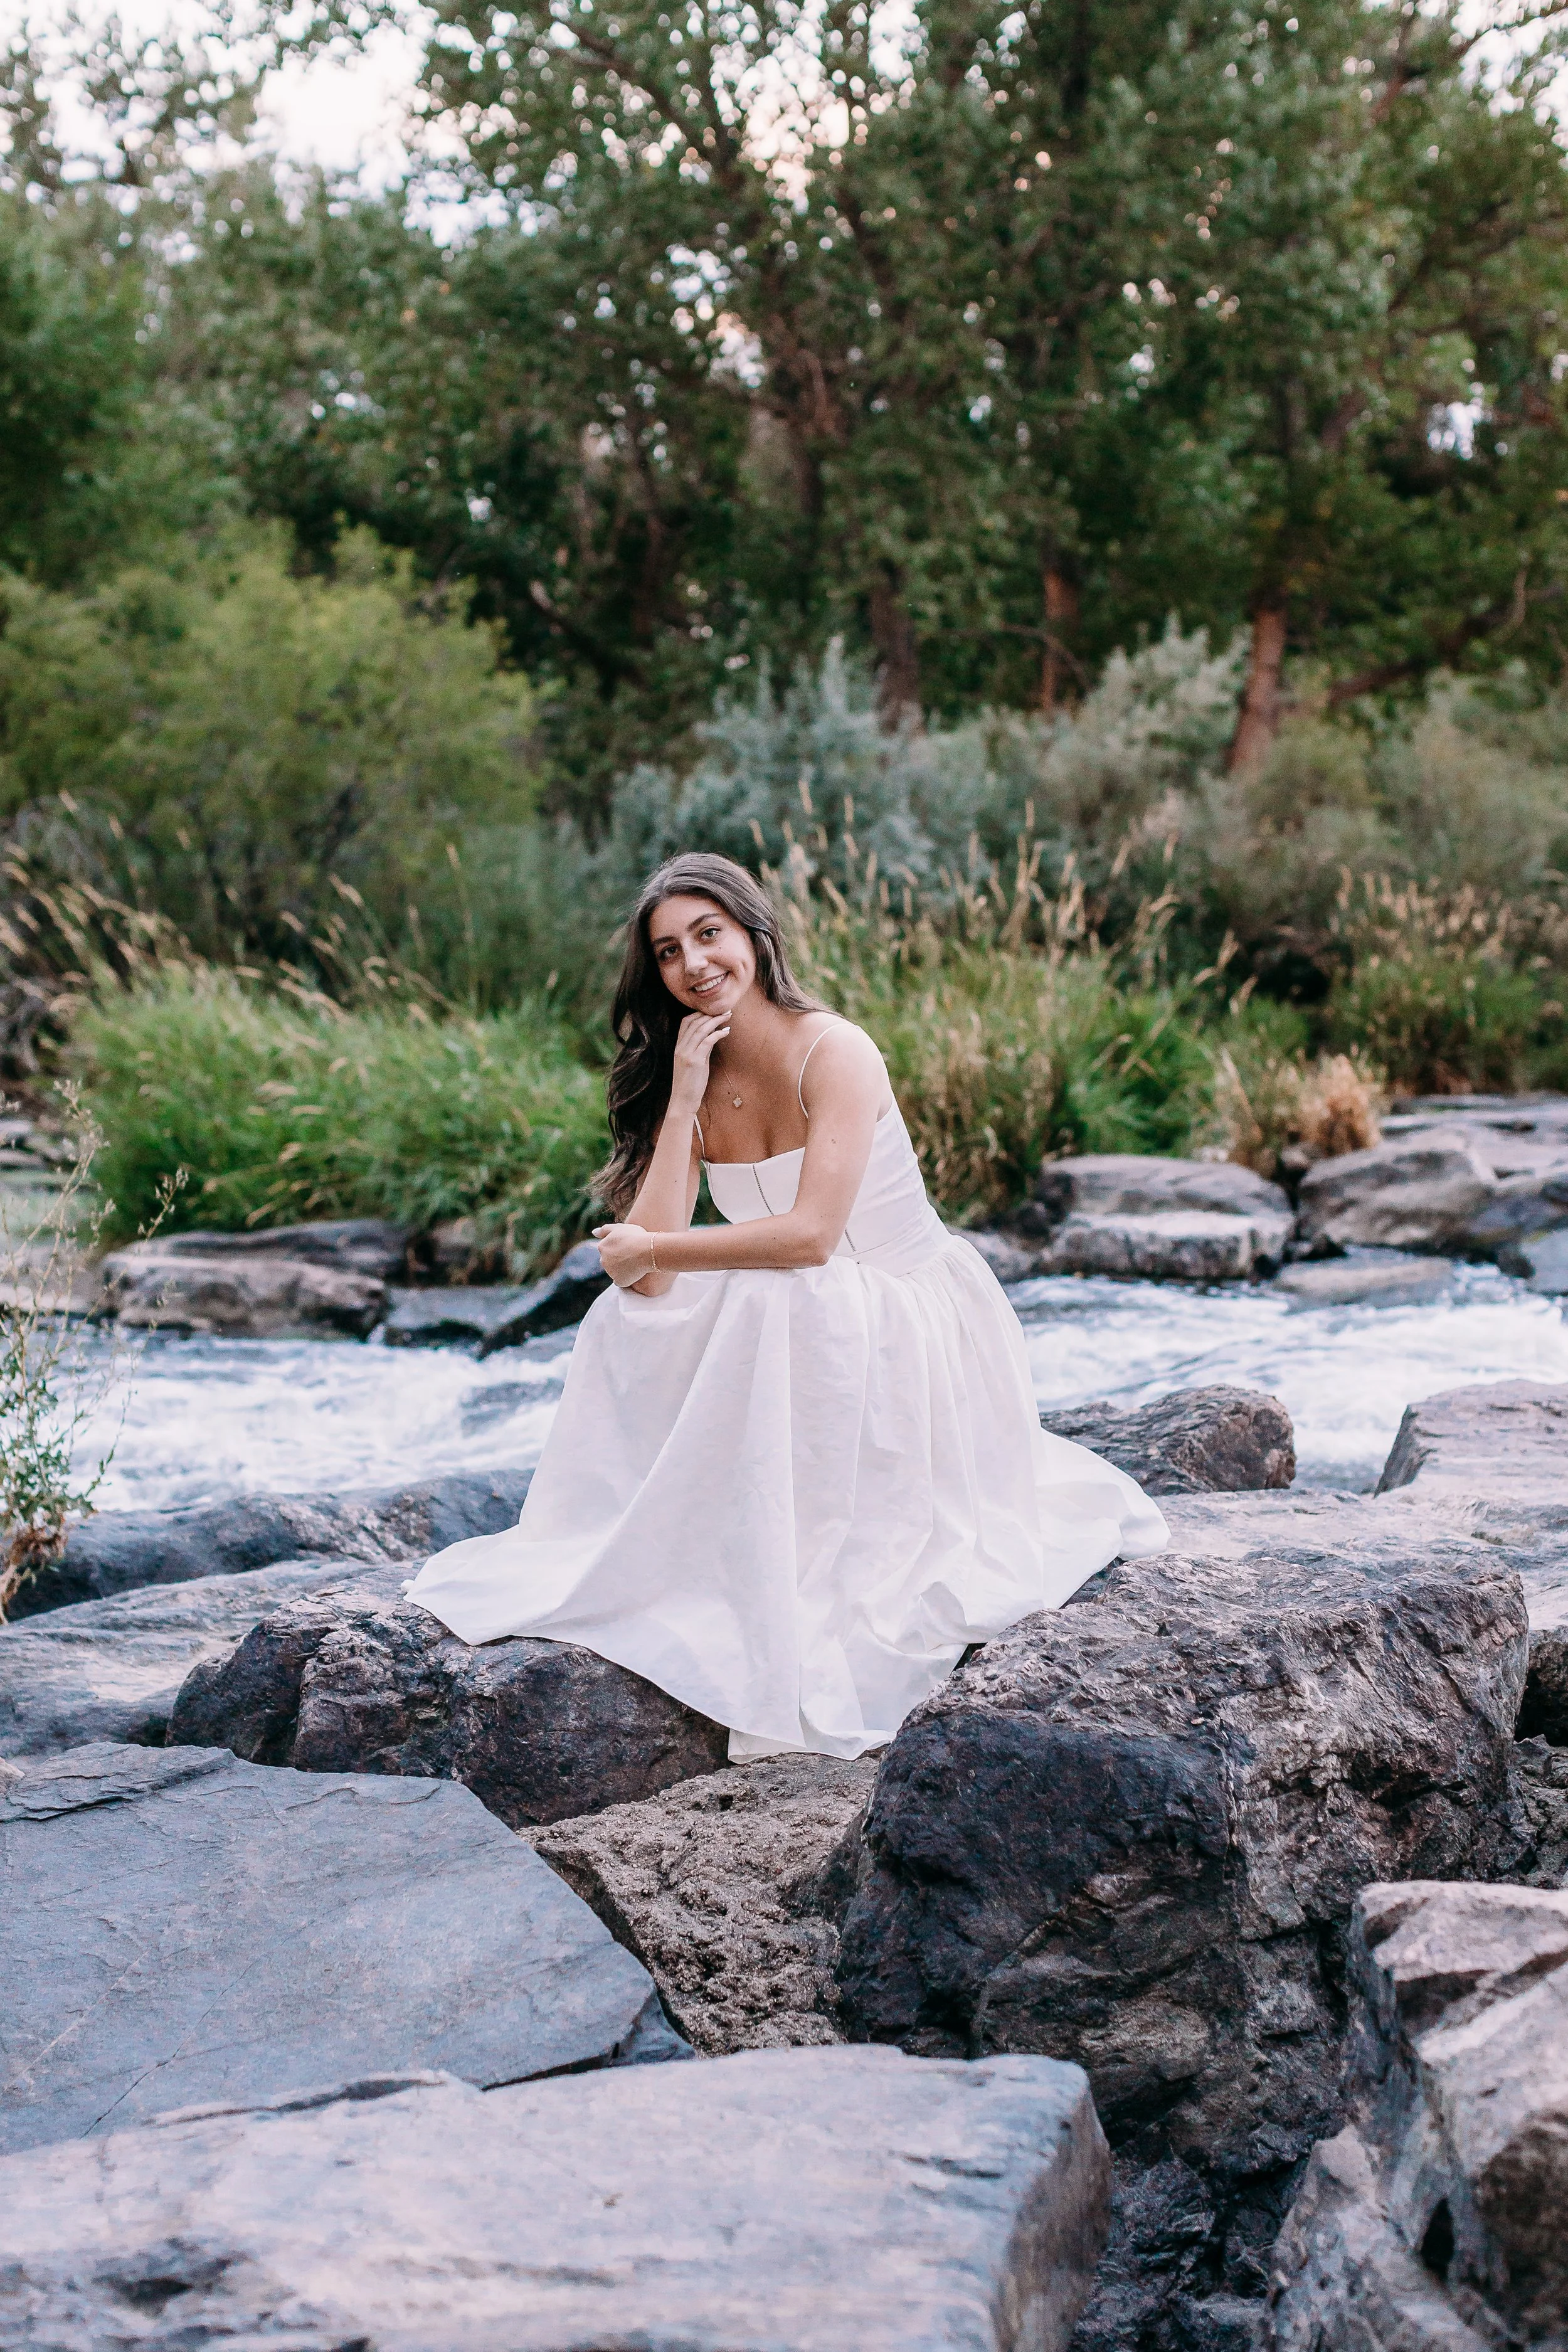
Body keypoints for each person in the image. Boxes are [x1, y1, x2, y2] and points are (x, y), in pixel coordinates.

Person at [405, 851, 1168, 1758]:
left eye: (708, 934)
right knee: (634, 1314)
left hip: (906, 1314)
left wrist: (660, 1246)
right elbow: (644, 1277)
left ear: (755, 934)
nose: (692, 963)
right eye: (668, 951)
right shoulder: (690, 1063)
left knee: (778, 1296)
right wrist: (685, 1096)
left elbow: (809, 1237)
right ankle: (657, 1541)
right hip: (811, 1314)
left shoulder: (834, 1049)